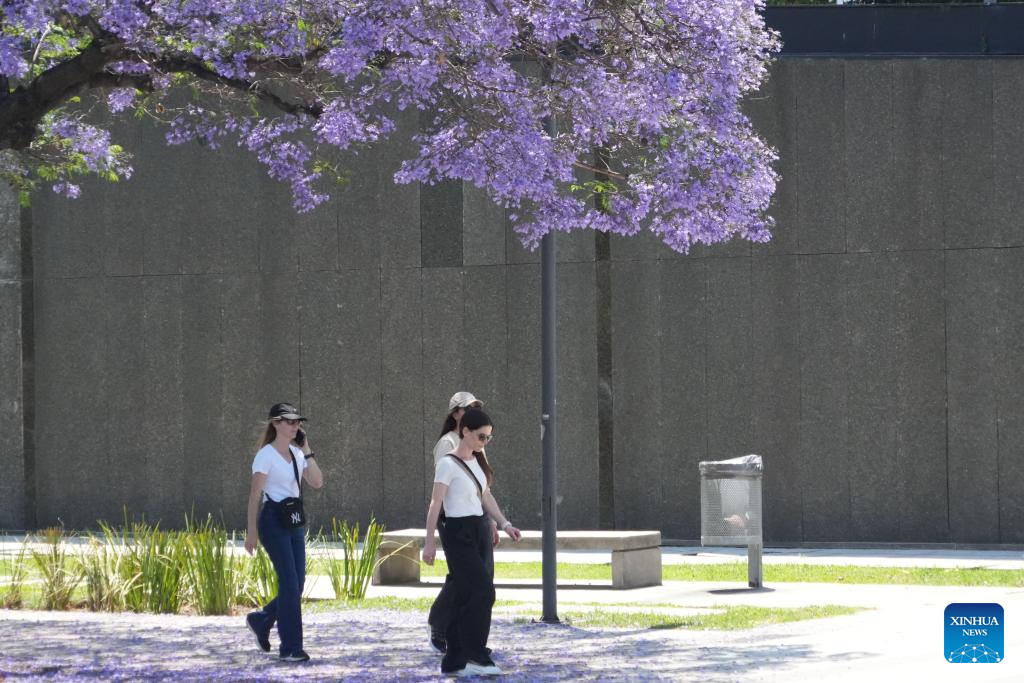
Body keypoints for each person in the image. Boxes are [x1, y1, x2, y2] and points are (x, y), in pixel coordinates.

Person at [423, 408, 521, 677]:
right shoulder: (447, 463)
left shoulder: (477, 461)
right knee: (483, 592)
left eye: (489, 438)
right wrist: (429, 542)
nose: (484, 442)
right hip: (458, 533)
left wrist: (503, 523)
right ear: (464, 431)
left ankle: (455, 660)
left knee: (467, 595)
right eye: (481, 436)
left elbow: (485, 496)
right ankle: (475, 654)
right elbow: (435, 504)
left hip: (478, 528)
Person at [244, 403, 324, 662]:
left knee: (297, 584)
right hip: (272, 520)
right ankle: (291, 647)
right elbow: (254, 495)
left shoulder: (297, 454)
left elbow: (317, 482)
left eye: (297, 422)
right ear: (275, 423)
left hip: (293, 521)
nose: (295, 426)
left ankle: (262, 619)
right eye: (289, 421)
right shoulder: (265, 455)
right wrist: (251, 531)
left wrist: (307, 449)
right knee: (289, 583)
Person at [427, 392, 500, 655]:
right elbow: (442, 492)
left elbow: (482, 489)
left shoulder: (478, 443)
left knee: (482, 581)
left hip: (478, 519)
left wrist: (492, 520)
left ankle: (472, 640)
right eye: (469, 408)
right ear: (456, 414)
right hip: (456, 522)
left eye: (478, 407)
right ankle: (441, 626)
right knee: (464, 580)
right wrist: (432, 538)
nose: (475, 410)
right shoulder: (448, 445)